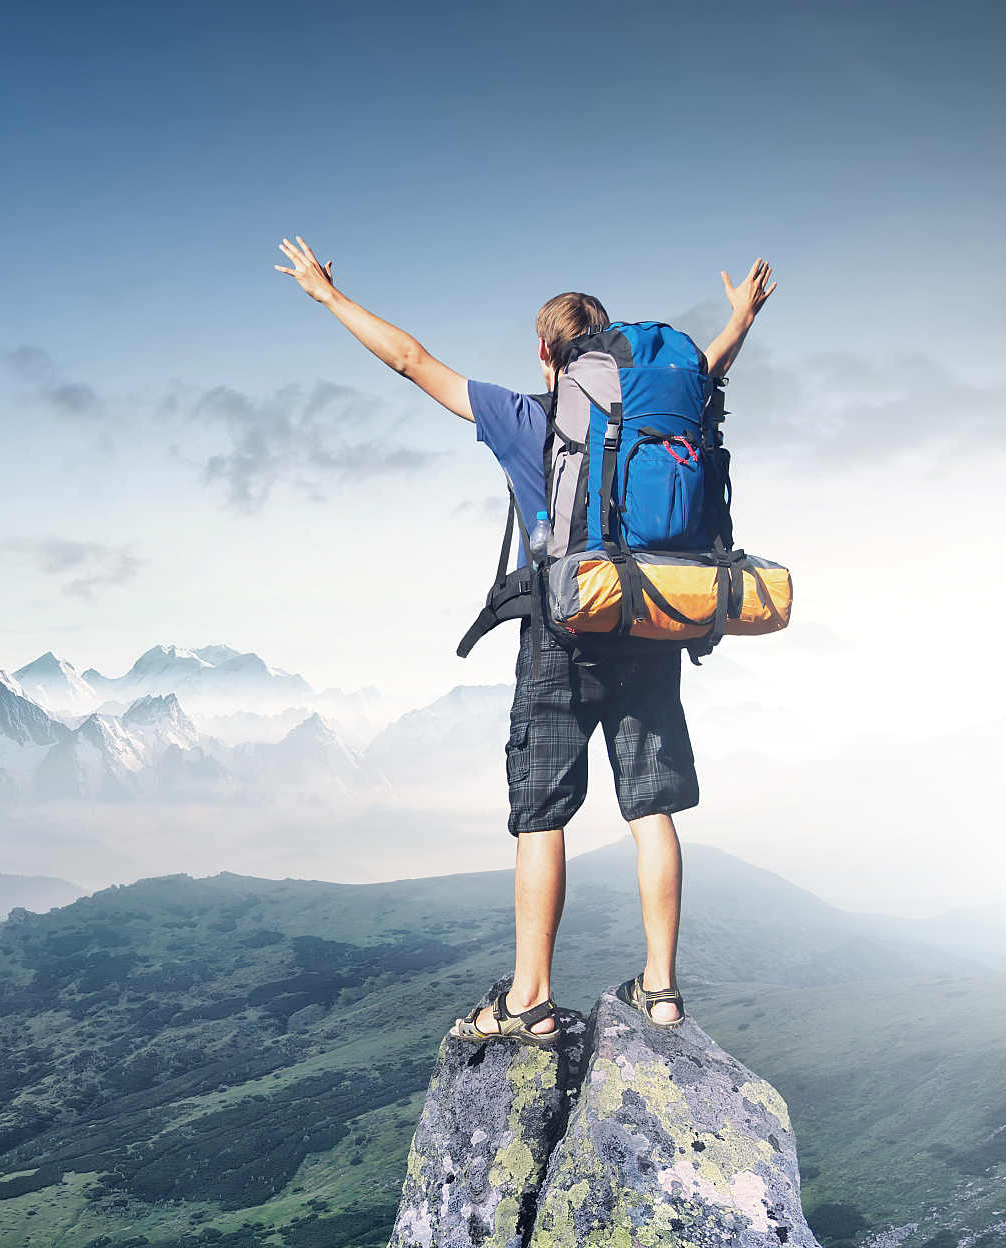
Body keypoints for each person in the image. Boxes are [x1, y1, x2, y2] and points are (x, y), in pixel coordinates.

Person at [275, 238, 774, 1040]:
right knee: (653, 809)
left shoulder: (525, 416)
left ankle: (530, 1000)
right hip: (646, 617)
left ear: (546, 353)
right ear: (608, 348)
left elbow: (410, 359)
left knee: (541, 816)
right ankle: (663, 991)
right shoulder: (661, 403)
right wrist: (739, 317)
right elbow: (708, 369)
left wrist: (330, 299)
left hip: (561, 632)